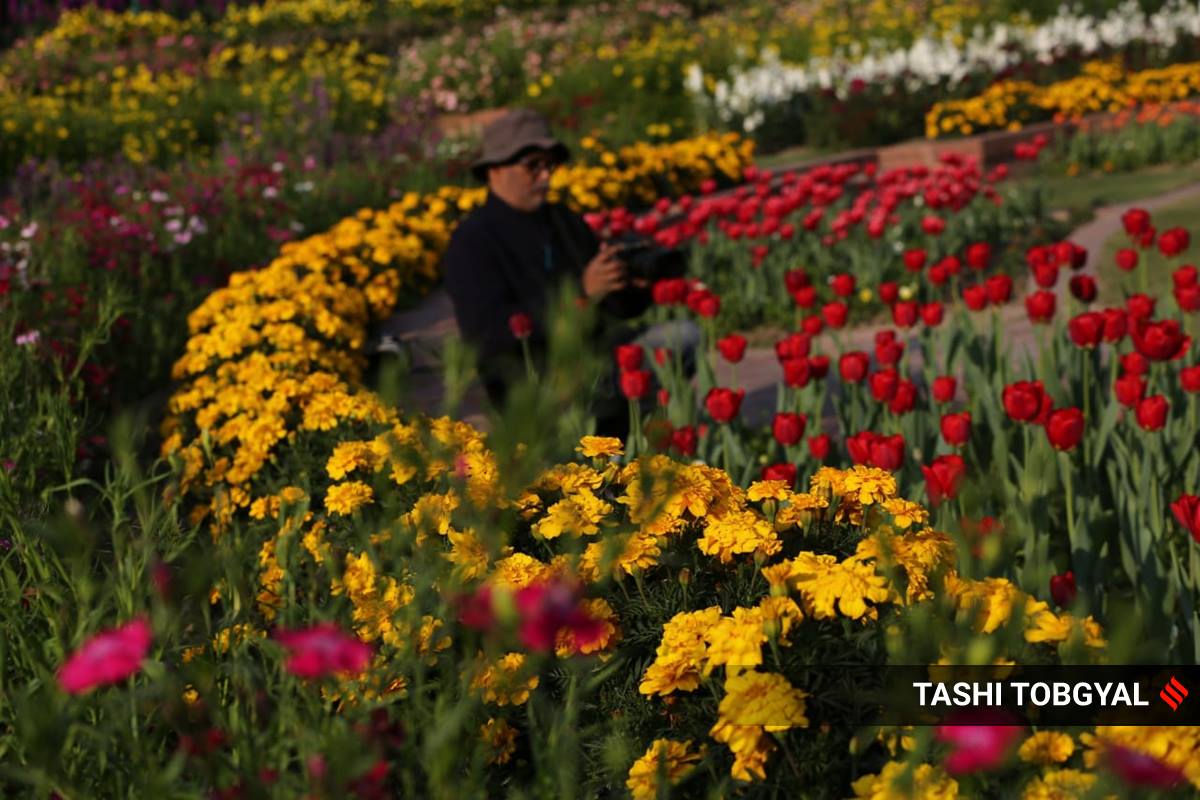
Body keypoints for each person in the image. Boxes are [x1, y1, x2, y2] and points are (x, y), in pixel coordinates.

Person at [442, 108, 696, 438]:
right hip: (534, 379)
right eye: (533, 166)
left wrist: (633, 286)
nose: (546, 176)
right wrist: (581, 295)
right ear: (494, 170)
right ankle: (597, 443)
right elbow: (488, 336)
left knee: (685, 336)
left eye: (550, 166)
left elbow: (613, 307)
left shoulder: (562, 220)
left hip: (594, 356)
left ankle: (627, 437)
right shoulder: (472, 241)